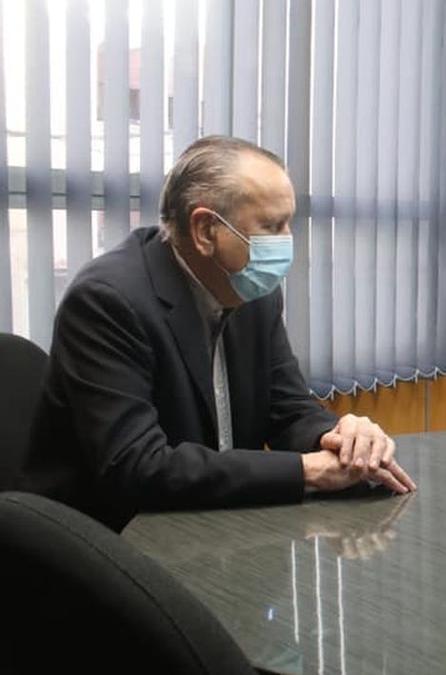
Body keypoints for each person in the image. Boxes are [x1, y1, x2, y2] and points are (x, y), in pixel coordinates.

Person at [23, 136, 416, 532]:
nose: (286, 243)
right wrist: (306, 471)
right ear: (206, 229)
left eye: (288, 224)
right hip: (107, 541)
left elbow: (288, 409)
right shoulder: (108, 301)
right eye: (271, 226)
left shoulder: (252, 290)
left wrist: (339, 438)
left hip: (210, 520)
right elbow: (138, 467)